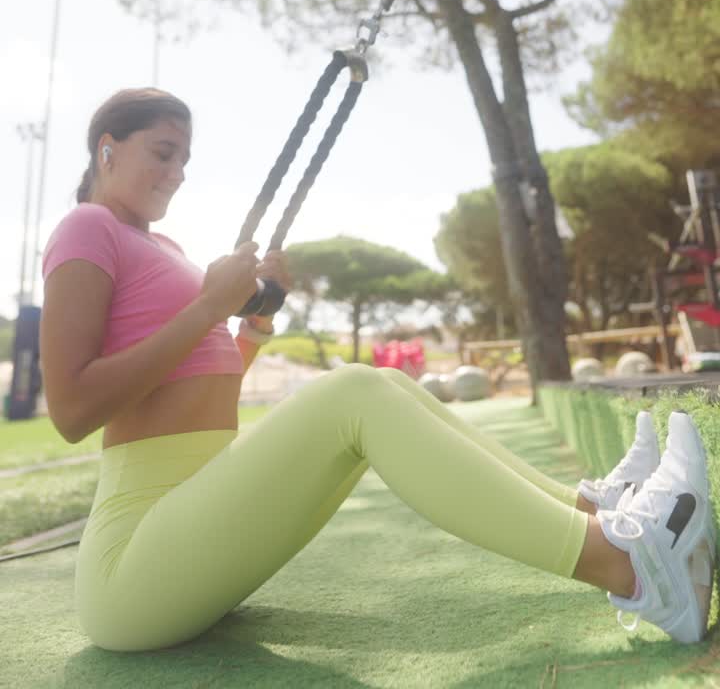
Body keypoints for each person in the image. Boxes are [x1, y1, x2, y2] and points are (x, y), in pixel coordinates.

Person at [39, 87, 716, 654]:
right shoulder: (85, 228)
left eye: (185, 159)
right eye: (163, 152)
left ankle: (595, 511)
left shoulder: (161, 245)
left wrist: (253, 327)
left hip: (191, 519)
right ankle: (627, 565)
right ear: (107, 147)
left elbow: (197, 387)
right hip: (133, 567)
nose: (178, 171)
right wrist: (210, 303)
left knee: (385, 384)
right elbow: (72, 410)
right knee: (356, 392)